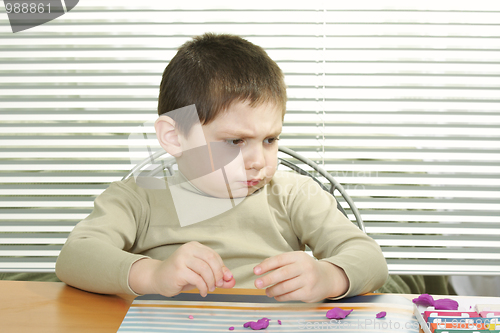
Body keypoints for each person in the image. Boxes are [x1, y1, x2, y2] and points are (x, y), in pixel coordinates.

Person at [55, 33, 388, 303]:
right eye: (235, 142)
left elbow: (369, 257)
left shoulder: (292, 195)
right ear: (175, 136)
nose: (259, 160)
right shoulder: (137, 199)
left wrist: (328, 276)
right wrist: (153, 275)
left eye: (270, 139)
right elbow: (75, 256)